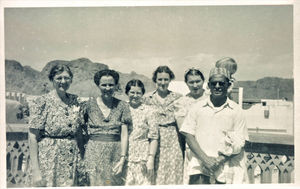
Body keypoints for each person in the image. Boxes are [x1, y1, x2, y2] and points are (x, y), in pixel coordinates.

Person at [180, 67, 249, 184]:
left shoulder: (237, 110)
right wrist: (206, 160)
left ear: (228, 85)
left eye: (221, 83)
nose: (217, 86)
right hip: (199, 167)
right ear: (208, 86)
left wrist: (219, 161)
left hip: (227, 168)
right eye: (213, 83)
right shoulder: (196, 108)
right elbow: (189, 136)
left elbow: (241, 140)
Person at [28, 64, 84, 187]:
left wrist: (82, 159)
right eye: (59, 78)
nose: (63, 81)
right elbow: (32, 137)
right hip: (49, 161)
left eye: (66, 78)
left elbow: (79, 132)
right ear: (52, 79)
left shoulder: (76, 101)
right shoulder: (42, 101)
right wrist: (36, 171)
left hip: (71, 159)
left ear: (71, 79)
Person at [82, 69, 131, 186]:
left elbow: (124, 134)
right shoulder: (88, 105)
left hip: (115, 153)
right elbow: (81, 129)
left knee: (111, 183)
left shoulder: (123, 105)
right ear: (98, 85)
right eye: (104, 85)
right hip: (94, 153)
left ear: (116, 86)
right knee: (96, 184)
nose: (107, 88)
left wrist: (123, 158)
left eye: (111, 85)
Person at [144, 65, 184, 185]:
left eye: (166, 79)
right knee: (154, 172)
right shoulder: (147, 98)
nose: (163, 82)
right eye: (160, 79)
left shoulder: (178, 98)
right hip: (153, 139)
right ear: (155, 80)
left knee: (174, 171)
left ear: (170, 80)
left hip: (173, 140)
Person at [173, 68, 207, 184]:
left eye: (198, 81)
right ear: (186, 83)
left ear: (203, 81)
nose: (195, 85)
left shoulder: (212, 98)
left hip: (214, 145)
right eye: (191, 82)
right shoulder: (181, 103)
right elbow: (183, 130)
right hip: (193, 147)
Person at [124, 79, 159, 185]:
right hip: (124, 156)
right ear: (127, 93)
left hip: (142, 158)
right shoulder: (122, 108)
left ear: (142, 94)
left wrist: (151, 158)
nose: (135, 95)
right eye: (132, 92)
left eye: (138, 93)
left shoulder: (149, 111)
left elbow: (154, 137)